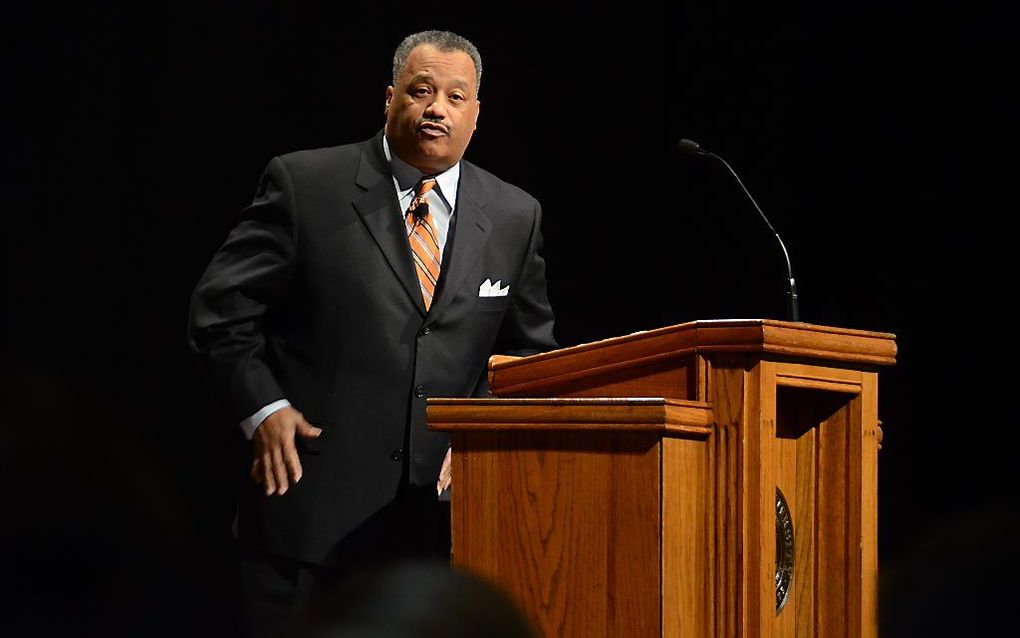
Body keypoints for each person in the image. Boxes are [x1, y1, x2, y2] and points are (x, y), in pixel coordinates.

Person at [187, 30, 556, 638]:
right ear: (390, 99)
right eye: (421, 91)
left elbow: (528, 356)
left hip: (441, 539)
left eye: (455, 96)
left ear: (476, 113)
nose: (437, 107)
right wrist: (264, 407)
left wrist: (481, 438)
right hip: (307, 522)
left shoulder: (516, 215)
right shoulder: (307, 184)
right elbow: (220, 312)